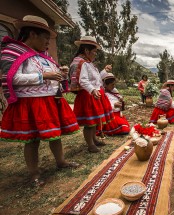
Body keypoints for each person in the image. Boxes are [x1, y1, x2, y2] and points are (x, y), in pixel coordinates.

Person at [0, 15, 80, 186]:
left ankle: (61, 162)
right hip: (30, 103)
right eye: (45, 38)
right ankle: (34, 173)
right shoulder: (13, 52)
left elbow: (51, 77)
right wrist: (42, 76)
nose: (48, 43)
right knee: (32, 139)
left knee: (54, 134)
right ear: (32, 35)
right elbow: (10, 78)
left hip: (49, 101)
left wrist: (60, 75)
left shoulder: (44, 57)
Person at [70, 36, 114, 153]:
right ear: (86, 51)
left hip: (95, 93)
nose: (95, 54)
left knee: (95, 120)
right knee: (89, 123)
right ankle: (90, 144)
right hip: (88, 95)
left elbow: (97, 78)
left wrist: (104, 73)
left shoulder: (89, 64)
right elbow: (83, 80)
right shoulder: (82, 63)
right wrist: (93, 90)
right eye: (94, 51)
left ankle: (94, 139)